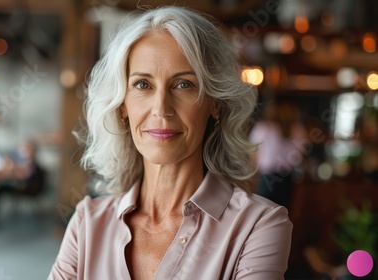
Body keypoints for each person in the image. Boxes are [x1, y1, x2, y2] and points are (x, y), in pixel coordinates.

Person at [49, 6, 292, 279]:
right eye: (143, 85)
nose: (161, 108)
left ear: (215, 103)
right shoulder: (86, 223)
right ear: (122, 106)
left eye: (183, 85)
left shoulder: (258, 226)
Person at [249, 100, 307, 209]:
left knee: (263, 215)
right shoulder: (299, 130)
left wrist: (252, 180)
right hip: (287, 178)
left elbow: (253, 157)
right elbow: (301, 157)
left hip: (268, 179)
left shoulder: (263, 128)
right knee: (283, 215)